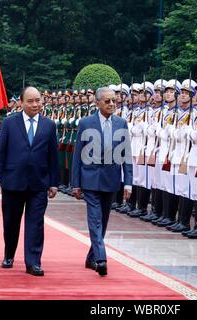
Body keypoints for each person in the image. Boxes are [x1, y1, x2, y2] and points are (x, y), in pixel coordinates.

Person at [0, 86, 59, 276]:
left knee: (35, 223)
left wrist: (54, 182)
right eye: (30, 101)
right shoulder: (9, 123)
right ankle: (9, 254)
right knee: (11, 222)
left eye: (38, 100)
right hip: (13, 181)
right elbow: (0, 153)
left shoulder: (49, 125)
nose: (35, 104)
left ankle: (33, 262)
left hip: (39, 183)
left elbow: (53, 156)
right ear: (21, 102)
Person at [71, 87, 133, 276]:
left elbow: (126, 154)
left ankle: (91, 257)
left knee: (103, 221)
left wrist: (128, 182)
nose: (112, 104)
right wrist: (76, 183)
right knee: (95, 219)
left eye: (114, 100)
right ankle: (101, 258)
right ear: (97, 103)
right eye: (107, 101)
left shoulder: (121, 123)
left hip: (111, 179)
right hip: (90, 180)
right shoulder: (85, 122)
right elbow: (77, 156)